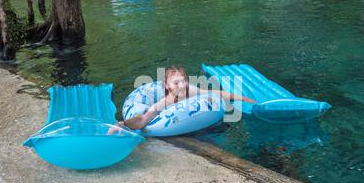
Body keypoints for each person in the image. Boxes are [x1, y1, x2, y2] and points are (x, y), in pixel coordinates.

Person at [108, 65, 256, 134]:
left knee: (223, 127)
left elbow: (216, 93)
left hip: (199, 122)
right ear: (168, 86)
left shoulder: (191, 91)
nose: (182, 85)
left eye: (184, 80)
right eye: (176, 83)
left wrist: (243, 98)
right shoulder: (165, 102)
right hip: (176, 128)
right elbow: (143, 119)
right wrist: (122, 124)